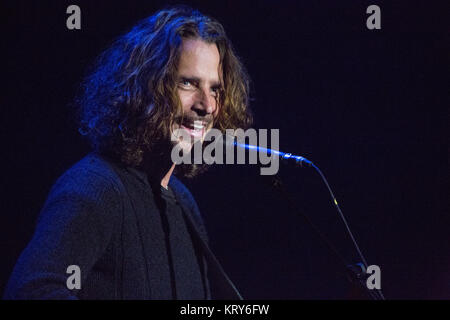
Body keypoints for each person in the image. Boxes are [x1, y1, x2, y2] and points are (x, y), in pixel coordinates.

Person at [3, 6, 252, 300]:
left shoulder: (184, 203)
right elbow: (31, 291)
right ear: (146, 88)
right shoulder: (95, 188)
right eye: (187, 83)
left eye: (215, 90)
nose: (207, 105)